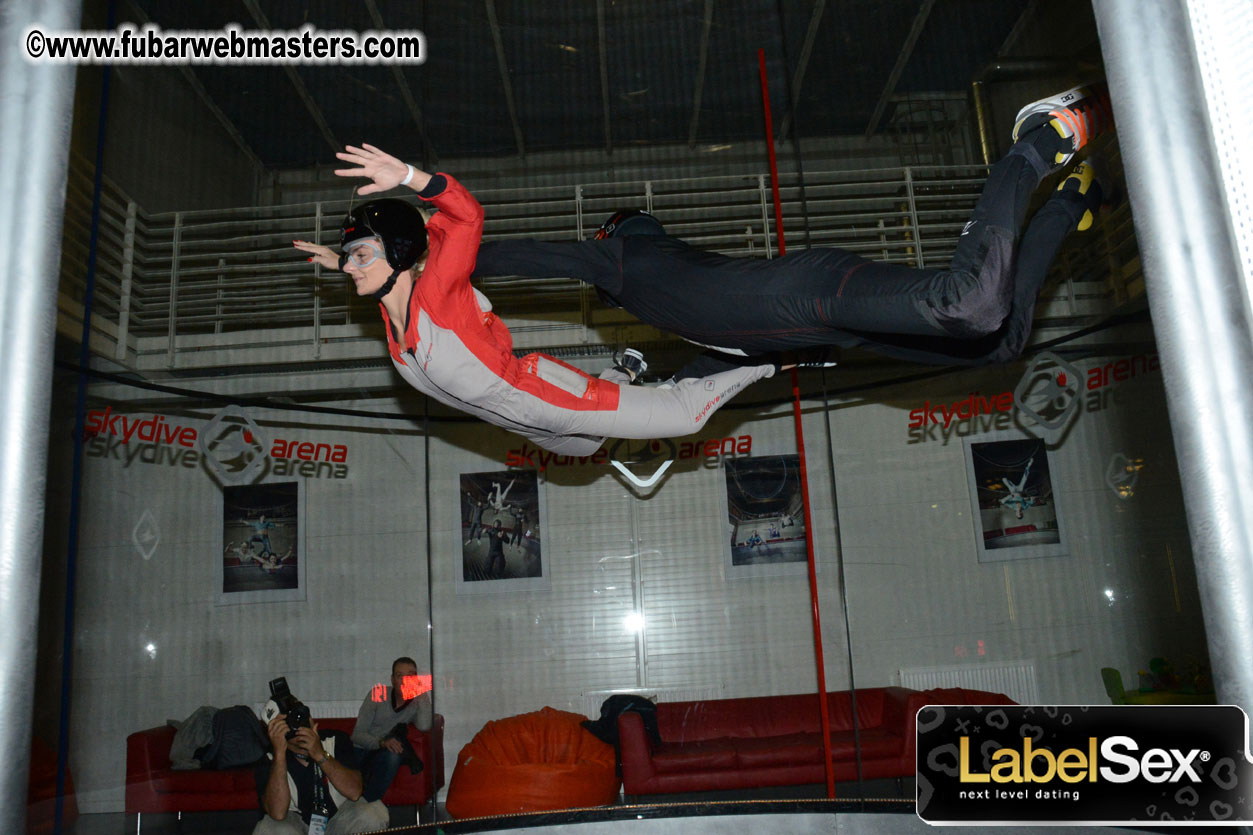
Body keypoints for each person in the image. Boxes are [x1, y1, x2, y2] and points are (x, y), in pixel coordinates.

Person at [469, 84, 1115, 377]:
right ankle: (1070, 202)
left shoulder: (627, 263)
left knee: (970, 303)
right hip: (842, 329)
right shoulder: (680, 319)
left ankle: (1039, 142)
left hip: (816, 291)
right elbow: (705, 369)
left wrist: (454, 263)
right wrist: (642, 381)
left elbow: (542, 256)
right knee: (997, 343)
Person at [295, 147, 791, 457]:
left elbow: (466, 216)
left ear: (399, 252)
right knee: (583, 448)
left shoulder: (437, 293)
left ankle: (772, 360)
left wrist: (408, 175)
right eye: (351, 259)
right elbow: (379, 275)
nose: (353, 266)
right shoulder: (392, 319)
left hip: (537, 394)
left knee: (684, 417)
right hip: (517, 419)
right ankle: (624, 372)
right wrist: (341, 259)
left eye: (361, 255)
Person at [254, 713, 387, 834]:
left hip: (338, 818)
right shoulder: (270, 758)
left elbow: (354, 792)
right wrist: (279, 753)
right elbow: (277, 813)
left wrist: (320, 754)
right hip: (295, 823)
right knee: (268, 829)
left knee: (375, 813)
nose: (298, 729)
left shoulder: (335, 740)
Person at [350, 657, 433, 804]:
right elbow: (357, 735)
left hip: (386, 754)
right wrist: (381, 742)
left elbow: (425, 725)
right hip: (362, 751)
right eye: (400, 676)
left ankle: (368, 803)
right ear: (392, 679)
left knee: (395, 751)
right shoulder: (377, 694)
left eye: (411, 676)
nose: (405, 680)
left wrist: (422, 694)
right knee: (392, 750)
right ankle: (365, 804)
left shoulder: (416, 702)